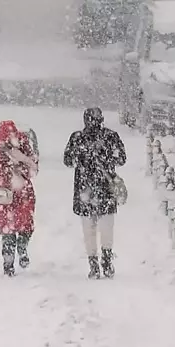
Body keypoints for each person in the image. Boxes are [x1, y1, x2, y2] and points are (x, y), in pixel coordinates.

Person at [63, 108, 126, 279]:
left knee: (89, 229)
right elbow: (121, 158)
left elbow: (68, 160)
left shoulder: (77, 138)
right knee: (106, 228)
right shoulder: (110, 137)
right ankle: (105, 261)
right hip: (102, 188)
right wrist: (105, 157)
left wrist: (83, 155)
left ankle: (95, 264)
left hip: (86, 187)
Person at [0, 120, 39, 277]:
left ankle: (19, 250)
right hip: (9, 194)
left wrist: (18, 165)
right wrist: (8, 168)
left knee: (19, 225)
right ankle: (9, 262)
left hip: (14, 193)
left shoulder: (21, 146)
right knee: (10, 228)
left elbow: (33, 167)